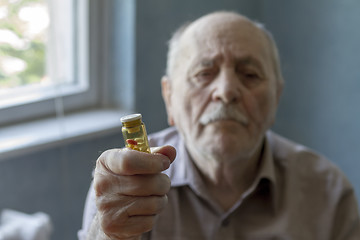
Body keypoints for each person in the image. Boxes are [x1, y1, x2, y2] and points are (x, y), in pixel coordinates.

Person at [78, 11, 360, 240]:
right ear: (170, 97)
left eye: (250, 74)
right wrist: (109, 234)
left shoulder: (327, 191)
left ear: (276, 97)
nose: (226, 91)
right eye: (204, 73)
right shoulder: (126, 184)